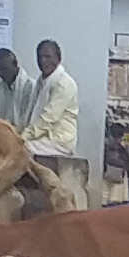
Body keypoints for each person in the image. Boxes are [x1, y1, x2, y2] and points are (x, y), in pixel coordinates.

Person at [24, 38, 88, 207]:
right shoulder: (42, 81)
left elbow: (48, 119)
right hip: (44, 138)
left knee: (22, 149)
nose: (43, 61)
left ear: (58, 58)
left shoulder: (64, 83)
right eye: (40, 57)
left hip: (59, 141)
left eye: (47, 56)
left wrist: (22, 137)